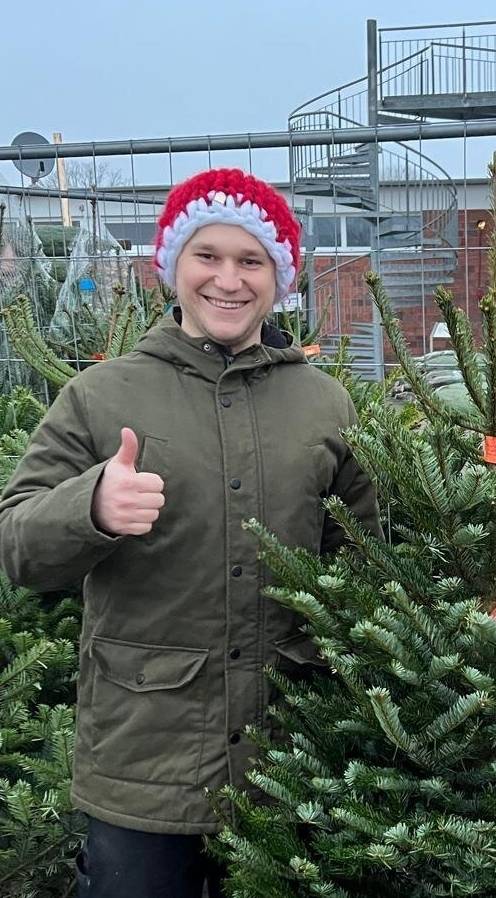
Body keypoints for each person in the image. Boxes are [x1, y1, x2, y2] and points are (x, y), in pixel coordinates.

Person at [0, 168, 381, 898]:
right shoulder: (101, 395)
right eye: (207, 255)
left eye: (251, 261)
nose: (228, 280)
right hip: (144, 760)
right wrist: (92, 508)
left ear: (280, 277)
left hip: (288, 752)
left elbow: (361, 562)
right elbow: (15, 544)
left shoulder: (325, 403)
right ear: (172, 264)